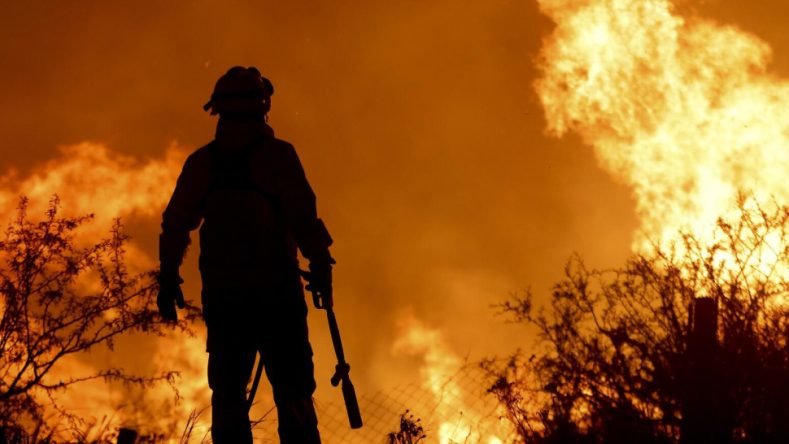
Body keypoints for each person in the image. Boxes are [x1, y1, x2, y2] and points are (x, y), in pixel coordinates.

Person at [156, 66, 333, 444]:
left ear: (217, 110)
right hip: (278, 298)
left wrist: (168, 278)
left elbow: (175, 225)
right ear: (263, 106)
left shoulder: (202, 164)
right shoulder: (279, 157)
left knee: (229, 399)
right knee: (294, 394)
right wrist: (320, 265)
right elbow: (304, 218)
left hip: (226, 301)